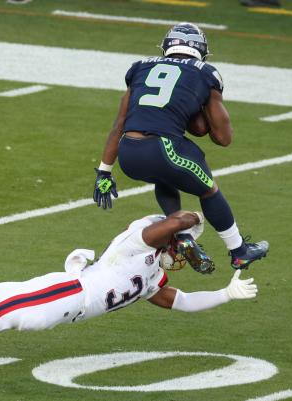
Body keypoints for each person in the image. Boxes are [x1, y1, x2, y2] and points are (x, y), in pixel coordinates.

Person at [0, 199, 259, 370]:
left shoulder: (153, 278)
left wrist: (226, 294)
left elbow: (183, 302)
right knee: (13, 317)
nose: (182, 256)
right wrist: (191, 222)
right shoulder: (138, 242)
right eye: (182, 247)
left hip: (72, 296)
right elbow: (175, 220)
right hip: (73, 292)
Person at [91, 22, 269, 273]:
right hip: (162, 148)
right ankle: (239, 251)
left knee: (164, 177)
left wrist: (104, 172)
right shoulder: (206, 72)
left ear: (167, 47)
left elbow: (118, 124)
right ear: (201, 50)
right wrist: (203, 109)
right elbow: (223, 137)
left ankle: (183, 235)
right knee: (208, 189)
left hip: (129, 154)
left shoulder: (140, 67)